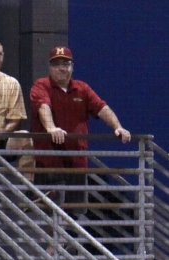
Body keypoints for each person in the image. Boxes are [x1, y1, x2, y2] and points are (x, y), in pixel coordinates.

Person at [30, 46, 130, 206]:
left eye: (66, 64)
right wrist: (51, 127)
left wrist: (117, 127)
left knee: (75, 211)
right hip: (49, 162)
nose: (61, 68)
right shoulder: (41, 85)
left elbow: (102, 107)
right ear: (49, 67)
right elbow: (43, 106)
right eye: (56, 64)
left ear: (72, 66)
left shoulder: (82, 88)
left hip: (77, 162)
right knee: (47, 210)